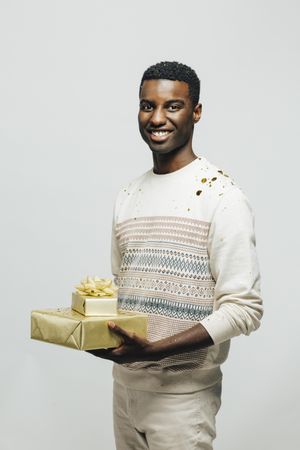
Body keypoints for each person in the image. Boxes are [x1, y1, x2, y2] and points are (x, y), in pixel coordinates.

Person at [87, 61, 263, 449]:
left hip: (183, 400)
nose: (157, 118)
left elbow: (244, 309)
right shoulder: (127, 195)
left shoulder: (222, 196)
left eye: (173, 106)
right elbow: (124, 289)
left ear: (196, 112)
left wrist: (154, 351)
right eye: (147, 105)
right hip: (124, 389)